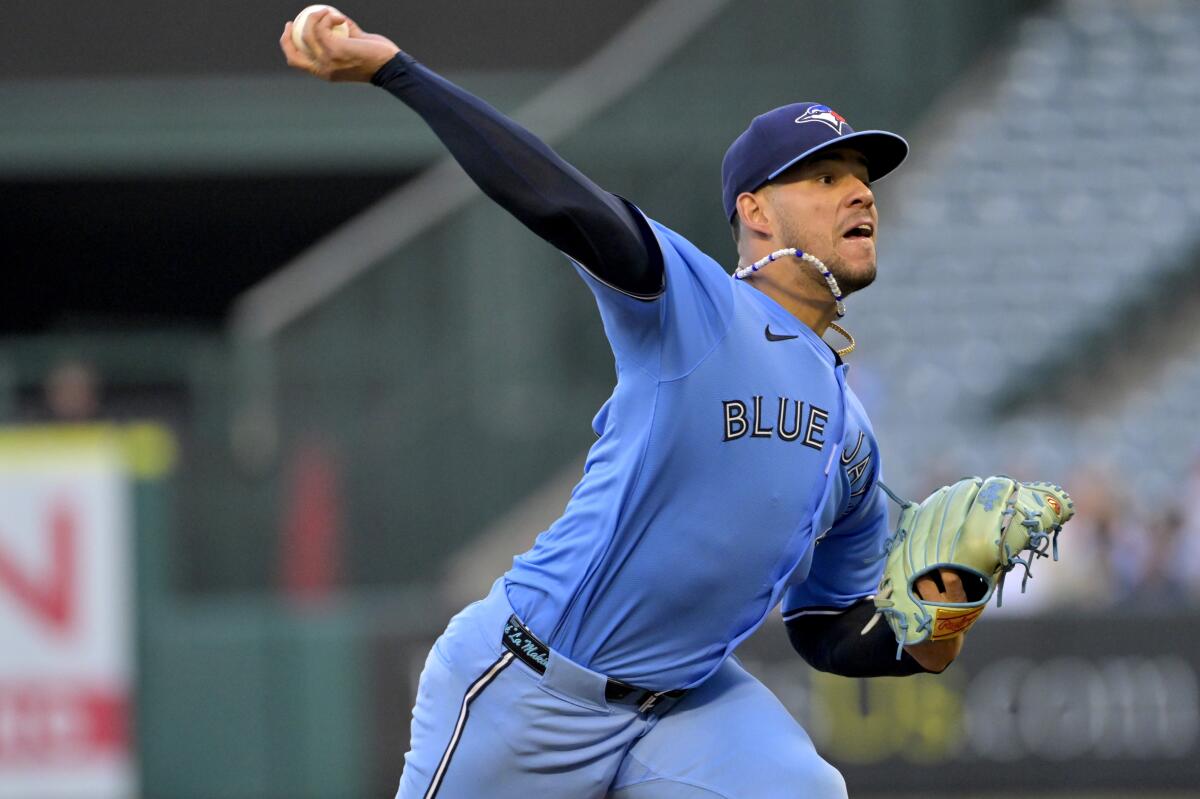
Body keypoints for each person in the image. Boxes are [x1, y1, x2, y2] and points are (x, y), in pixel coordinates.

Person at [281, 10, 973, 798]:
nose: (860, 193)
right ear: (754, 211)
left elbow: (825, 625)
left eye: (863, 178)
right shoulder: (699, 308)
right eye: (825, 177)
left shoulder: (852, 436)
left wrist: (927, 632)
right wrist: (396, 70)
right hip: (533, 688)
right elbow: (560, 201)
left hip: (688, 706)